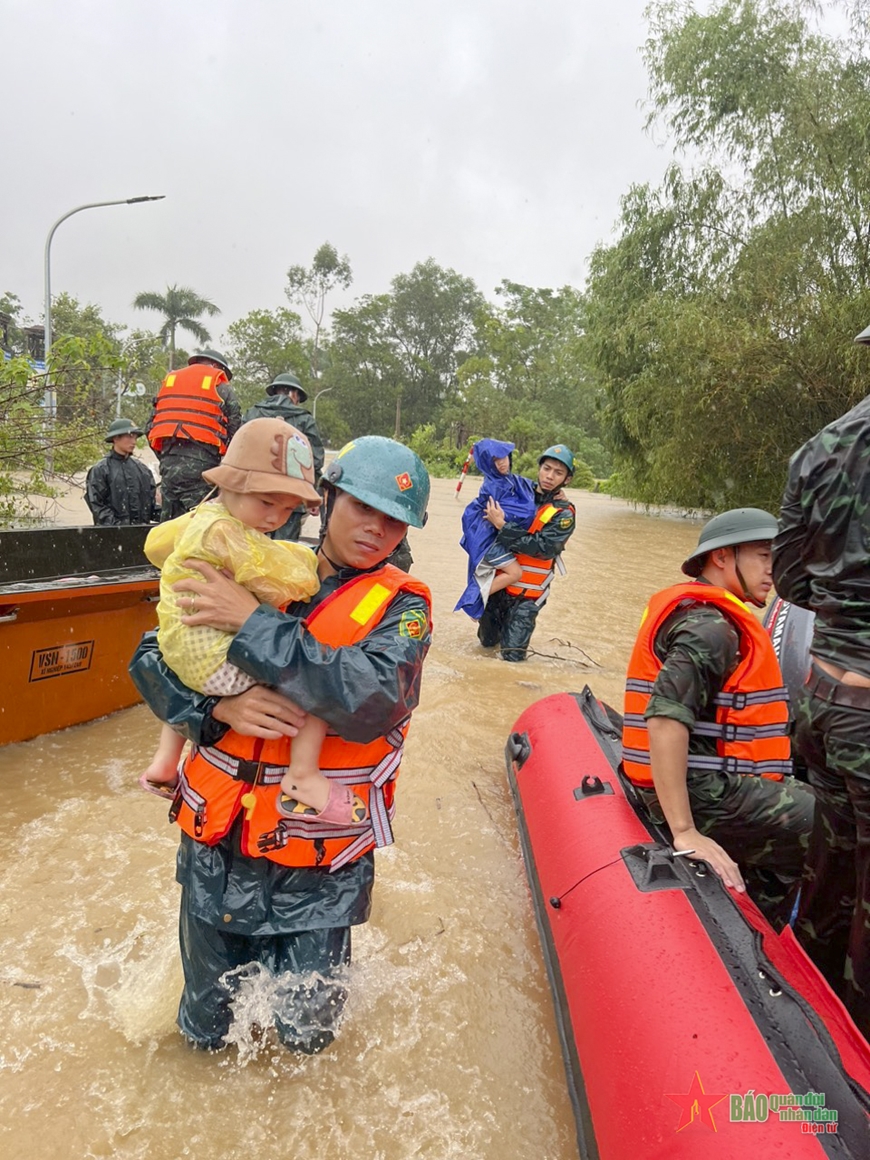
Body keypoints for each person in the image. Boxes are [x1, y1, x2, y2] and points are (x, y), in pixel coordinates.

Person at [128, 435, 431, 1053]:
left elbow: (370, 699)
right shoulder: (253, 555)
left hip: (316, 869)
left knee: (305, 1040)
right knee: (204, 1031)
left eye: (393, 521)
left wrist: (252, 622)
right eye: (361, 508)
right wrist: (213, 709)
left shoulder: (403, 609)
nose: (376, 529)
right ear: (327, 498)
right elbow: (153, 656)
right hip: (219, 848)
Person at [138, 419, 361, 825]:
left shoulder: (202, 518)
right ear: (232, 485)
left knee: (181, 671)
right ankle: (304, 776)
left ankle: (164, 763)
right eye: (266, 503)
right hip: (220, 665)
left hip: (181, 649)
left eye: (288, 509)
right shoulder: (227, 532)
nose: (276, 518)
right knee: (315, 678)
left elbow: (155, 545)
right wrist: (308, 559)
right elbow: (290, 580)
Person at [622, 508, 815, 930]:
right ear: (723, 558)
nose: (773, 569)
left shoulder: (712, 616)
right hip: (704, 792)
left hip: (716, 778)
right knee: (836, 828)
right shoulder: (711, 629)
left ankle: (762, 910)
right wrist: (685, 830)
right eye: (764, 556)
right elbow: (664, 719)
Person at [773, 332, 870, 1033]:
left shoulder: (817, 449)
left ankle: (807, 1028)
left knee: (829, 869)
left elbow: (787, 579)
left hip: (823, 699)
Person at [476, 445, 576, 661]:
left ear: (567, 479)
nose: (549, 476)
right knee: (485, 645)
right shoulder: (518, 491)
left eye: (558, 473)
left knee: (512, 657)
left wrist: (503, 526)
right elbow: (494, 482)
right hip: (498, 589)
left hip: (527, 598)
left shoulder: (564, 514)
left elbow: (542, 547)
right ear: (539, 468)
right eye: (546, 469)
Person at [146, 349, 242, 520]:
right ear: (216, 366)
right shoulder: (220, 387)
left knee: (170, 527)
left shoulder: (170, 384)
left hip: (169, 465)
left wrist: (167, 458)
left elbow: (150, 427)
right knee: (202, 526)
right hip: (202, 467)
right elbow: (235, 429)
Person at [455, 439, 537, 620]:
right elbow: (512, 513)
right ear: (487, 464)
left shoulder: (507, 479)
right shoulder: (493, 486)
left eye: (504, 457)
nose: (502, 462)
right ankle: (474, 599)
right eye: (495, 460)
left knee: (488, 573)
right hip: (488, 541)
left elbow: (529, 487)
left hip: (490, 538)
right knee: (515, 573)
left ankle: (477, 600)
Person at [241, 372, 325, 542]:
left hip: (254, 494)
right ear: (294, 394)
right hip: (290, 498)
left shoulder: (253, 413)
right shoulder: (304, 419)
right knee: (283, 550)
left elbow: (238, 450)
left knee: (249, 547)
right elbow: (314, 461)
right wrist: (314, 495)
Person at [85, 418, 160, 526]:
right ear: (116, 438)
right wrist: (120, 529)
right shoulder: (100, 470)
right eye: (129, 436)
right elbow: (98, 507)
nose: (133, 441)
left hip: (141, 536)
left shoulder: (142, 470)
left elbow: (151, 507)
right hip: (112, 537)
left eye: (135, 437)